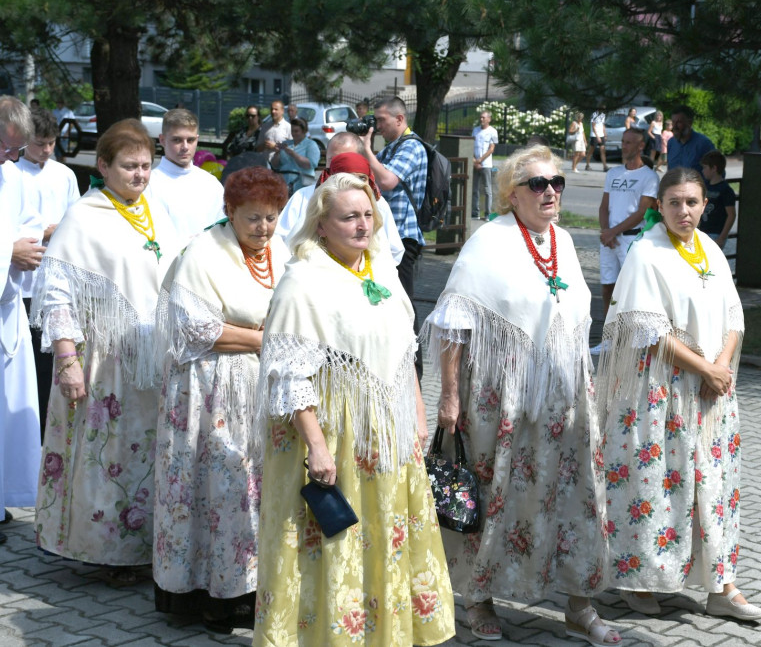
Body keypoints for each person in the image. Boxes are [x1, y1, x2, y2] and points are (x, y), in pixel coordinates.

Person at [422, 145, 618, 645]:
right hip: (497, 398)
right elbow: (453, 324)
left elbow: (573, 321)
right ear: (512, 194)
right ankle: (478, 599)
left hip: (563, 399)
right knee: (492, 496)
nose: (550, 190)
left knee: (574, 496)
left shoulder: (565, 242)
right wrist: (448, 397)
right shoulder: (488, 241)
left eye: (556, 182)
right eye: (538, 183)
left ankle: (579, 602)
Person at [253, 172, 455, 646]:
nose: (363, 226)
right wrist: (319, 449)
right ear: (322, 225)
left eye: (368, 215)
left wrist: (417, 418)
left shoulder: (381, 272)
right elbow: (289, 377)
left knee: (384, 536)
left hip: (386, 433)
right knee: (332, 543)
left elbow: (404, 352)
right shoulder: (302, 282)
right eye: (350, 217)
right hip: (333, 436)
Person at [597, 166, 761, 621]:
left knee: (715, 484)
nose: (683, 211)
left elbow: (734, 314)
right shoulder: (645, 253)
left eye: (692, 202)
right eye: (674, 202)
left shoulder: (710, 248)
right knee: (659, 483)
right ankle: (643, 578)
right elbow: (647, 329)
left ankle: (721, 585)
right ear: (660, 205)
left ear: (705, 205)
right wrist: (706, 368)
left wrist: (721, 367)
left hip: (712, 391)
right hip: (664, 391)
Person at [31, 119, 183, 584]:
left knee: (146, 454)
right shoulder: (85, 215)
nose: (140, 175)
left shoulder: (156, 209)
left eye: (145, 166)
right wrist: (68, 362)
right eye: (129, 167)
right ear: (103, 166)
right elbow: (56, 293)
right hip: (103, 360)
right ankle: (103, 551)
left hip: (153, 357)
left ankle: (145, 549)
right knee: (108, 454)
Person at [153, 166, 288, 632]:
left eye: (271, 217)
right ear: (229, 211)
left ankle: (249, 590)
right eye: (253, 218)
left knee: (252, 492)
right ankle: (208, 595)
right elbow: (196, 329)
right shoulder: (204, 253)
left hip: (260, 388)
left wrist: (264, 337)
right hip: (209, 393)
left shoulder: (279, 250)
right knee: (218, 490)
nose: (263, 228)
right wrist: (263, 338)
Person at [15, 108, 80, 437]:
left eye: (52, 143)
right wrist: (45, 231)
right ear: (26, 141)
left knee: (51, 361)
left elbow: (76, 218)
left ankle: (48, 430)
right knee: (26, 368)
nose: (47, 150)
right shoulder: (14, 173)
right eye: (40, 144)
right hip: (21, 285)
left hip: (54, 283)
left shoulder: (64, 175)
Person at [359, 97, 427, 373]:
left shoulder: (411, 147)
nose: (377, 126)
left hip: (404, 237)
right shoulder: (391, 148)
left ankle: (414, 372)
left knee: (404, 304)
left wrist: (365, 149)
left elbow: (387, 181)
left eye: (381, 121)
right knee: (387, 301)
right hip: (386, 238)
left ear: (400, 119)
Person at [0, 96, 41, 546]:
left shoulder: (9, 174)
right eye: (4, 147)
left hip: (6, 307)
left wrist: (24, 245)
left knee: (6, 413)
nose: (9, 158)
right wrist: (8, 252)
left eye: (16, 150)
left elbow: (24, 222)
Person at [276, 131, 404, 266]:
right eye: (332, 161)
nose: (338, 167)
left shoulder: (376, 202)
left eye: (345, 159)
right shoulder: (302, 197)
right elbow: (281, 240)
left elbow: (394, 251)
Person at [598, 128, 659, 321]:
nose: (623, 146)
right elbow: (604, 206)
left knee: (630, 289)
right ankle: (609, 335)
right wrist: (605, 232)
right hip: (609, 240)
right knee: (608, 286)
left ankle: (629, 334)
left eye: (628, 143)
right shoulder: (614, 173)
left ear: (641, 146)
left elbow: (641, 211)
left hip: (630, 239)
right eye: (623, 142)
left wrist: (612, 232)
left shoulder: (649, 176)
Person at [147, 109, 224, 240]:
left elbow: (223, 229)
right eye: (177, 140)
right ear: (162, 140)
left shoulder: (211, 183)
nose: (185, 147)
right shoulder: (149, 185)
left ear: (197, 139)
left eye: (190, 140)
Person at [270, 116, 319, 194]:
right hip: (284, 181)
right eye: (292, 131)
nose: (293, 134)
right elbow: (275, 165)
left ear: (304, 131)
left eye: (296, 131)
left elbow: (310, 165)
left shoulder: (311, 145)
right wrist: (277, 153)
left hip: (302, 183)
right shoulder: (286, 144)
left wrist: (293, 154)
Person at [699, 150, 736, 248]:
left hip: (715, 233)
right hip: (702, 231)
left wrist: (722, 237)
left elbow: (731, 215)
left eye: (705, 167)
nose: (703, 171)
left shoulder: (725, 190)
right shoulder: (705, 186)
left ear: (714, 168)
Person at [666, 106, 714, 172]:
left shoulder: (704, 144)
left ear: (689, 123)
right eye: (673, 122)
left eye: (679, 122)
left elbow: (717, 174)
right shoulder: (671, 143)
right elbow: (669, 170)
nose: (675, 126)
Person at [471, 110, 499, 220]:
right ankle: (475, 212)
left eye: (483, 117)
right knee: (474, 189)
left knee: (487, 189)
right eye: (480, 117)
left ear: (489, 119)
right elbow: (471, 146)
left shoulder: (493, 131)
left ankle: (487, 213)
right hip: (475, 164)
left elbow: (491, 148)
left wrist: (480, 160)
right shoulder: (475, 130)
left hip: (486, 164)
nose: (481, 119)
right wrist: (474, 161)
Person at [51, 98, 74, 163]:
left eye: (60, 103)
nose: (59, 104)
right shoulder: (54, 111)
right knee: (57, 153)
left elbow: (72, 123)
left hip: (64, 133)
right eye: (58, 103)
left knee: (63, 153)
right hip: (56, 134)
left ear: (63, 104)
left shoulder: (68, 112)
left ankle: (64, 166)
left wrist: (67, 133)